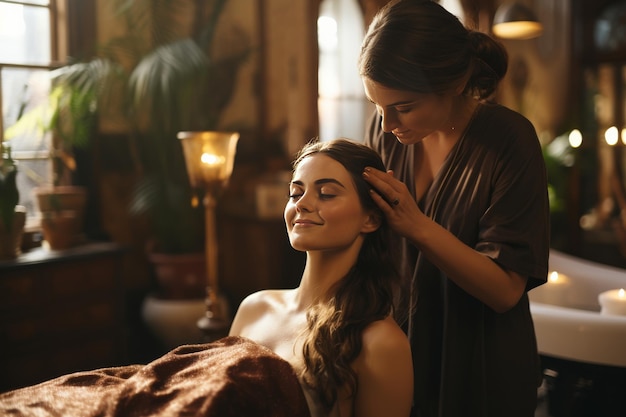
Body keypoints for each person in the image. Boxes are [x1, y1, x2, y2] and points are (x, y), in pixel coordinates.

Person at [357, 1, 550, 417]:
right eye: (377, 106)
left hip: (481, 366)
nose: (387, 124)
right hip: (400, 355)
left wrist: (418, 227)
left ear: (456, 82)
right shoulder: (389, 134)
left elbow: (505, 291)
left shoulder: (509, 140)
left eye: (403, 107)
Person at [229, 138, 413, 417]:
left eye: (326, 193)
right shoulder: (255, 308)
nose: (302, 204)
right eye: (295, 193)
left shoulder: (381, 342)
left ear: (370, 219)